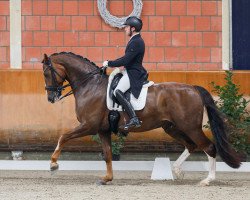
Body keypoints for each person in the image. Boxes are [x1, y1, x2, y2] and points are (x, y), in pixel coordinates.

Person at [103, 16, 148, 131]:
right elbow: (128, 60)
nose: (125, 29)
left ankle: (134, 118)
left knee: (118, 91)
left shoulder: (136, 41)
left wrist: (109, 63)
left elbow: (126, 60)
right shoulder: (134, 40)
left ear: (132, 28)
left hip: (134, 73)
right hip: (130, 70)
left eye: (127, 27)